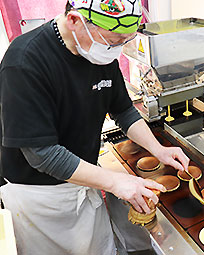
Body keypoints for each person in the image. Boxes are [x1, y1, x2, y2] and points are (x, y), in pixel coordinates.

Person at [0, 0, 189, 254]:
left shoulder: (97, 50)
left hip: (84, 177)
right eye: (113, 42)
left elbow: (123, 110)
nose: (116, 50)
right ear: (75, 21)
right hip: (42, 199)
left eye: (124, 42)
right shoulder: (24, 61)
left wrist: (159, 149)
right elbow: (42, 154)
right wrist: (115, 182)